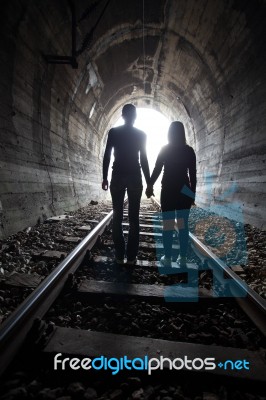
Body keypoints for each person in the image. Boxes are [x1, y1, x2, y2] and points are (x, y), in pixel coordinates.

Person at [102, 104, 150, 265]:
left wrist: (104, 177)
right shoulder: (141, 134)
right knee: (134, 218)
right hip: (135, 176)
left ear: (122, 115)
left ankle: (119, 255)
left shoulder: (114, 132)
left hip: (117, 175)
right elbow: (143, 159)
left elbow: (107, 155)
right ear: (135, 116)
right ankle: (131, 257)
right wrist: (149, 182)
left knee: (117, 216)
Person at [146, 121, 196, 267]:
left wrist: (149, 184)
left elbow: (157, 169)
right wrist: (193, 194)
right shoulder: (189, 151)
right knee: (183, 225)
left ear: (169, 133)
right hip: (184, 191)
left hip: (168, 189)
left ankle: (167, 259)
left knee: (167, 224)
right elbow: (193, 175)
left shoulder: (165, 149)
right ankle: (183, 259)